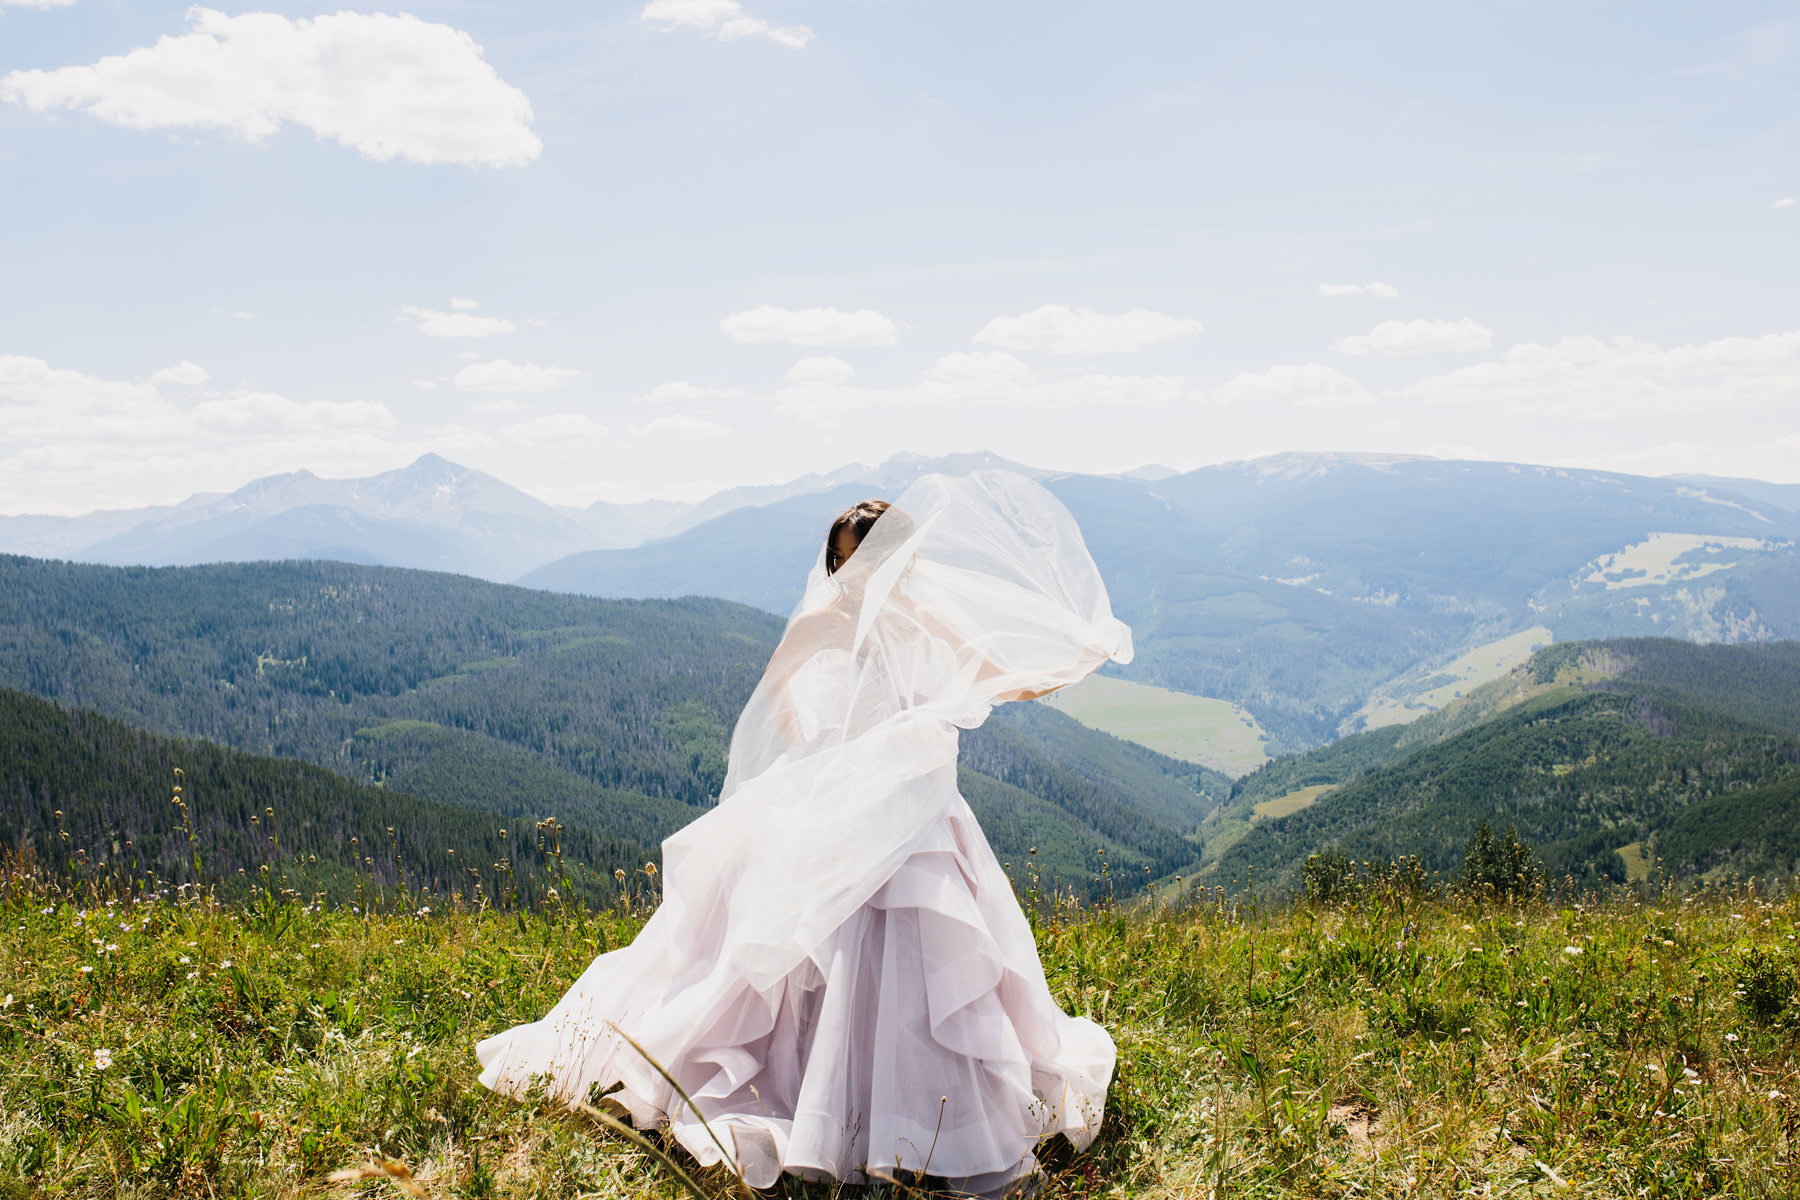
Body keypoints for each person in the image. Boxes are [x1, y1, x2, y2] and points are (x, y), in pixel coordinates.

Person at [477, 469, 1134, 1195]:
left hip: (913, 801)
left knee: (924, 951)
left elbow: (999, 674)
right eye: (845, 561)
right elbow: (781, 686)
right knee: (818, 955)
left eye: (868, 559)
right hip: (843, 791)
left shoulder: (923, 620)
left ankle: (919, 1115)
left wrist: (1079, 656)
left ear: (899, 560)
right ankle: (835, 1109)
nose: (855, 575)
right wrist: (820, 753)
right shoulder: (826, 621)